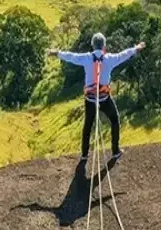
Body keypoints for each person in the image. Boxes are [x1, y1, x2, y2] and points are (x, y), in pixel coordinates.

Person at [48, 33, 145, 162]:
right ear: (104, 45)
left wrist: (57, 53)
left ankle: (84, 155)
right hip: (104, 99)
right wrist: (137, 48)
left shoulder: (86, 58)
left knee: (87, 125)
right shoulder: (110, 58)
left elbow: (71, 56)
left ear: (93, 45)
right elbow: (124, 54)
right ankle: (115, 151)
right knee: (115, 120)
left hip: (90, 99)